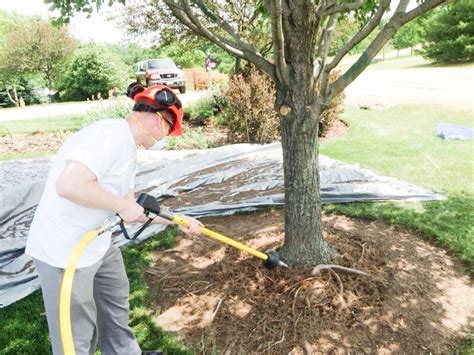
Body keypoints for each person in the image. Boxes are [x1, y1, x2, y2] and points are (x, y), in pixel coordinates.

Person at [25, 82, 203, 355]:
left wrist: (177, 220)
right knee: (76, 334)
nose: (166, 136)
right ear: (159, 119)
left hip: (97, 243)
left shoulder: (127, 147)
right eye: (170, 129)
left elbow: (130, 208)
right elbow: (69, 185)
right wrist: (121, 205)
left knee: (115, 307)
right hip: (65, 252)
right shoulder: (108, 135)